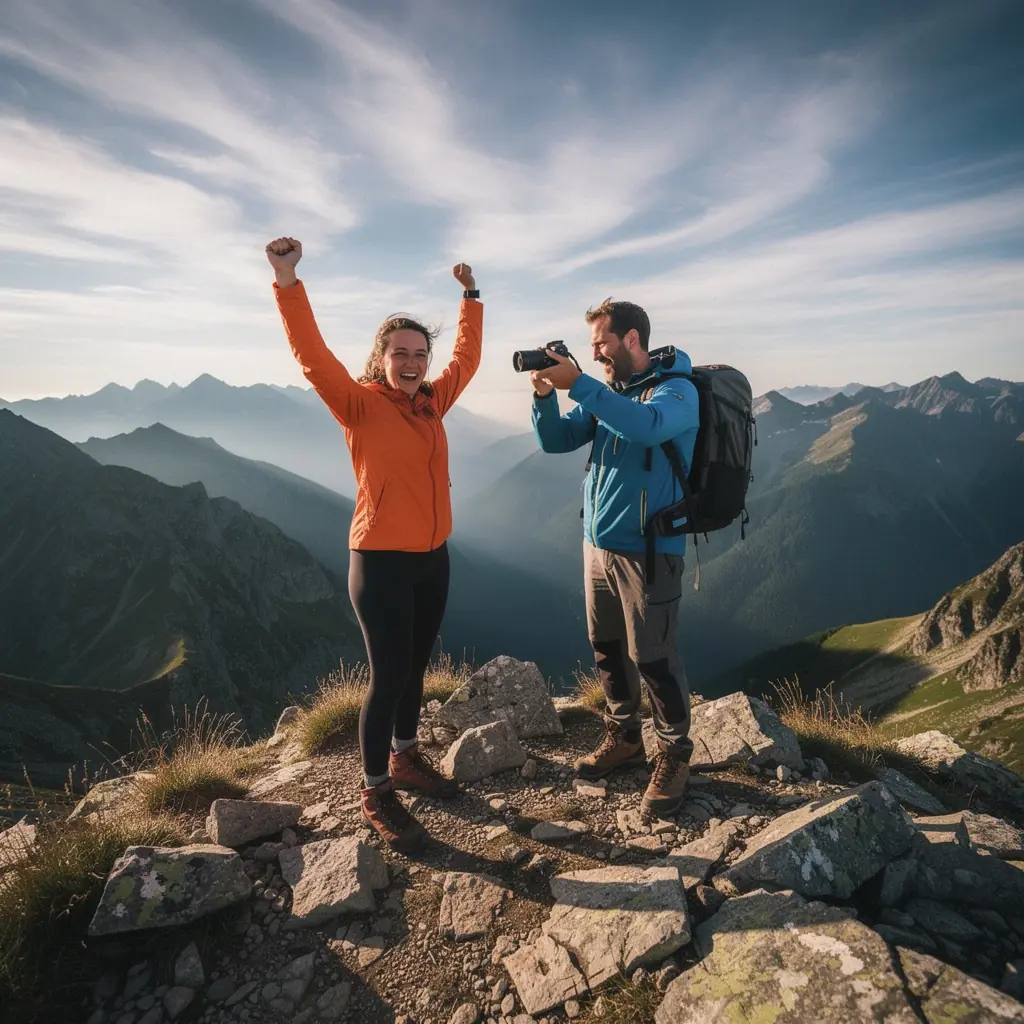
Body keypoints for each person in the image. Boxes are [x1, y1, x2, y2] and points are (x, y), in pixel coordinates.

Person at [266, 237, 483, 852]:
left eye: (420, 354)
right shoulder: (359, 405)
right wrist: (287, 281)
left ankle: (407, 757)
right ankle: (374, 788)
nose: (412, 362)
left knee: (416, 665)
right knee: (388, 675)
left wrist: (470, 298)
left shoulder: (433, 403)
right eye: (400, 353)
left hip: (432, 558)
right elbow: (312, 356)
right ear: (381, 358)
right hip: (381, 562)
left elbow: (465, 359)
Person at [529, 298, 698, 817]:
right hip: (597, 545)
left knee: (654, 656)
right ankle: (625, 737)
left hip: (649, 550)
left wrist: (580, 384)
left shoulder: (677, 390)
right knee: (606, 647)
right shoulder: (610, 394)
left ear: (631, 340)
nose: (595, 353)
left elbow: (646, 427)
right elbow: (556, 441)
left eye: (601, 342)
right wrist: (543, 397)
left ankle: (674, 752)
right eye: (591, 346)